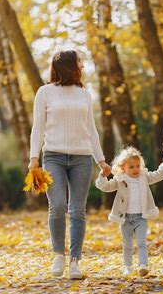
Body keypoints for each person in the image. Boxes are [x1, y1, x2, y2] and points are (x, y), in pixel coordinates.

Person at [28, 50, 111, 279]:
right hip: (53, 156)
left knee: (77, 210)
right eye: (78, 62)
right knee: (57, 206)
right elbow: (38, 127)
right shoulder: (44, 93)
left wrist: (101, 160)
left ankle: (75, 261)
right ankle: (59, 256)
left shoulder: (84, 94)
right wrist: (34, 158)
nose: (82, 66)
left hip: (82, 158)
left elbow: (91, 129)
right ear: (67, 66)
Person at [95, 147, 163, 276]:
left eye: (137, 166)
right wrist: (103, 176)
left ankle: (143, 265)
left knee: (141, 242)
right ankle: (128, 266)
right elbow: (105, 187)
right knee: (127, 244)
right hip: (125, 218)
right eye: (131, 167)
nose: (135, 169)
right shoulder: (119, 179)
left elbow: (158, 175)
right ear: (123, 167)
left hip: (140, 218)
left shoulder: (144, 177)